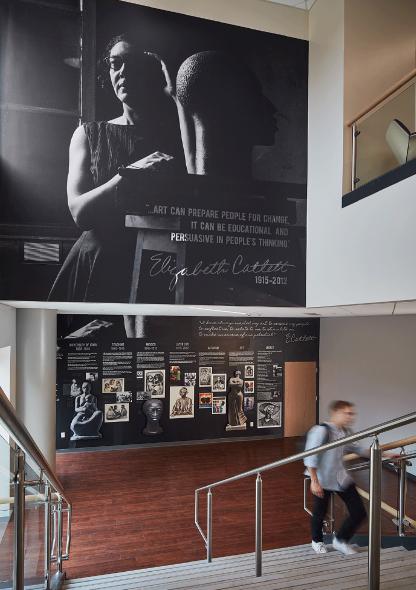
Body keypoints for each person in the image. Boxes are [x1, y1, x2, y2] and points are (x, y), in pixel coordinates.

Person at [48, 33, 182, 303]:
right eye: (115, 63)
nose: (124, 72)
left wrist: (176, 94)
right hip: (97, 264)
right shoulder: (88, 134)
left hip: (157, 266)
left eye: (134, 63)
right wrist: (130, 174)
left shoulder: (174, 136)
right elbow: (80, 213)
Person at [304, 400, 397, 555]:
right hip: (322, 478)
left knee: (359, 512)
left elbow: (359, 450)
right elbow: (309, 456)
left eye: (351, 414)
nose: (351, 417)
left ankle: (340, 540)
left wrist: (387, 454)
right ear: (336, 413)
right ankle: (317, 541)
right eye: (347, 413)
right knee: (320, 513)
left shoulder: (344, 432)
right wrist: (314, 481)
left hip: (340, 478)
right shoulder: (321, 431)